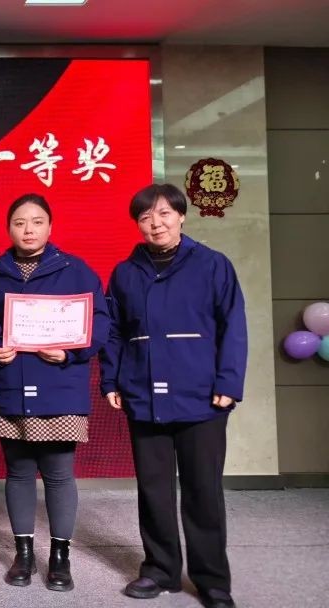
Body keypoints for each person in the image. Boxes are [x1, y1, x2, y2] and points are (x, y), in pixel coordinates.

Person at [100, 184, 246, 608]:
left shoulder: (213, 265)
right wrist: (111, 381)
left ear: (182, 216)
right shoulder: (125, 272)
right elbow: (114, 333)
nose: (156, 223)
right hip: (143, 395)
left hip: (202, 397)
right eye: (146, 217)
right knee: (154, 490)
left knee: (203, 490)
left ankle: (212, 580)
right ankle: (160, 570)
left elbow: (233, 326)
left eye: (164, 214)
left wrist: (228, 383)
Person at [0, 193, 110, 592]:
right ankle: (22, 555)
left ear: (50, 227)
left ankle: (59, 557)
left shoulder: (76, 270)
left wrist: (71, 352)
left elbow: (99, 322)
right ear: (9, 228)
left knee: (58, 474)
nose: (28, 230)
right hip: (11, 385)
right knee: (18, 472)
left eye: (37, 222)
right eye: (20, 222)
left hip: (60, 387)